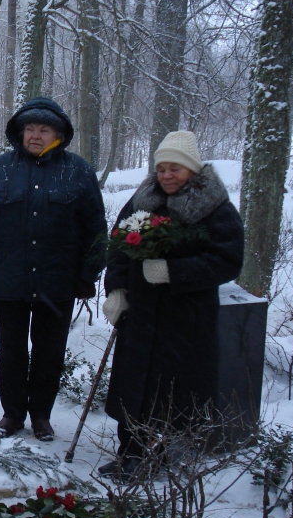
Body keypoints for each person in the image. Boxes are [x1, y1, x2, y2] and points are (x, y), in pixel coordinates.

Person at [101, 130, 244, 481]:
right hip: (140, 313)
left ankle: (156, 455)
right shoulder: (143, 199)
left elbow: (227, 260)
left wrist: (174, 271)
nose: (167, 175)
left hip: (184, 317)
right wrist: (116, 290)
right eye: (162, 168)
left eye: (175, 169)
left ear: (193, 171)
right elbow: (118, 246)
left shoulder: (215, 208)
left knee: (169, 388)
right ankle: (129, 451)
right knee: (135, 383)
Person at [0, 97, 107, 442]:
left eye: (43, 129)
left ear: (58, 134)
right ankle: (13, 414)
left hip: (57, 282)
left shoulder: (78, 172)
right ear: (20, 132)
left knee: (49, 353)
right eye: (30, 128)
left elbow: (96, 230)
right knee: (12, 352)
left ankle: (41, 415)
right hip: (10, 281)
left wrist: (88, 275)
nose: (35, 135)